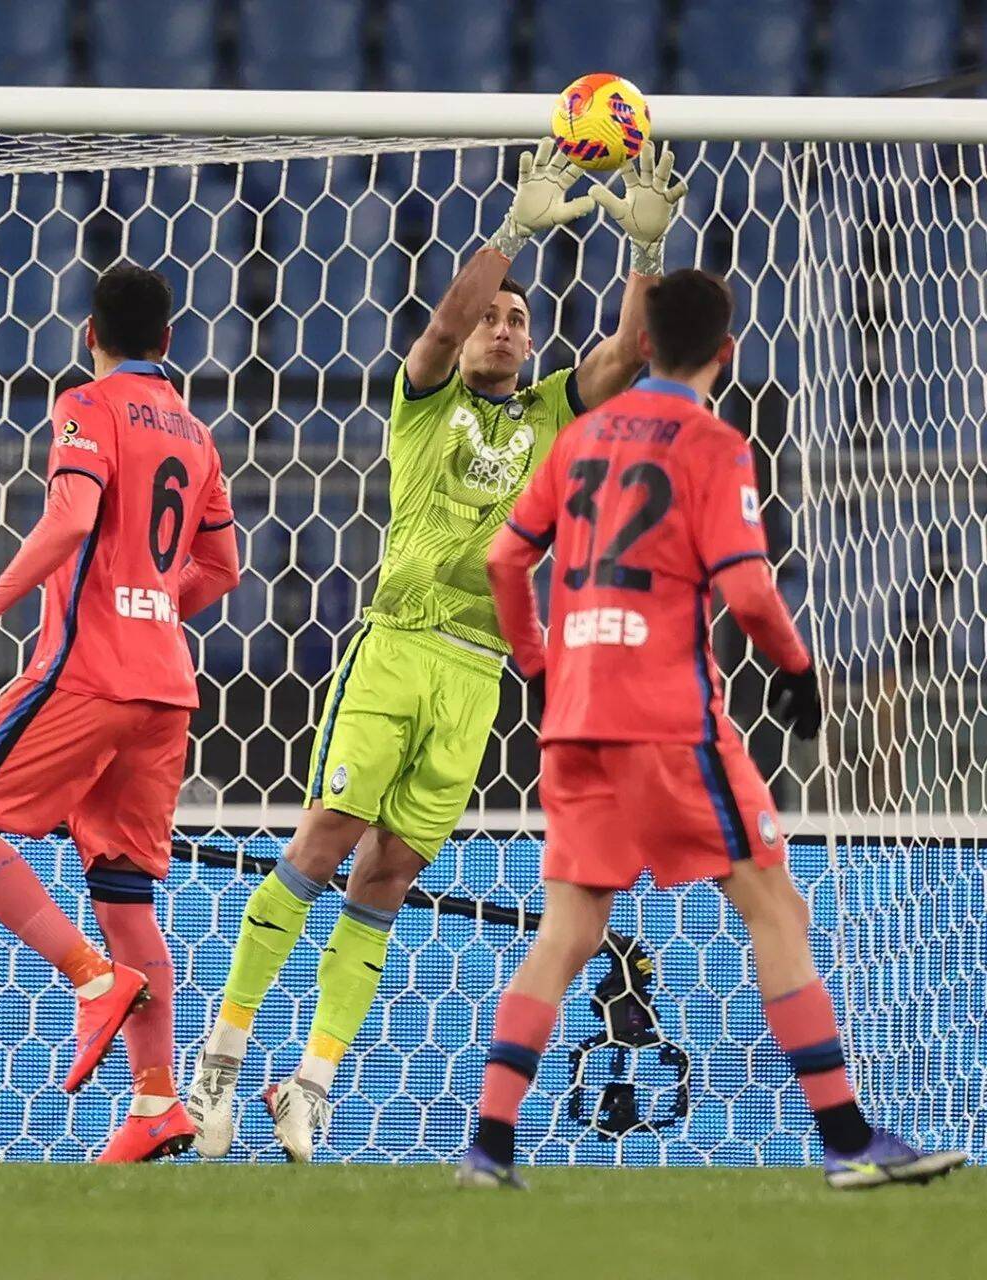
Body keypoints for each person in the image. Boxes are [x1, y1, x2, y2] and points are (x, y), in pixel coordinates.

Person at [189, 141, 688, 1161]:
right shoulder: (424, 400)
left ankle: (311, 1084)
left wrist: (648, 243)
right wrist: (509, 236)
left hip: (479, 670)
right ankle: (221, 1063)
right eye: (492, 318)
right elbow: (448, 319)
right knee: (324, 840)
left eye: (520, 317)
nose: (504, 327)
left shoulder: (551, 413)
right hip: (400, 646)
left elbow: (632, 350)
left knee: (388, 877)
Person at [459, 267, 967, 1190]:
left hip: (575, 718)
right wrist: (799, 671)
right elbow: (745, 588)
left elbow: (502, 559)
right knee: (778, 906)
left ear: (642, 344)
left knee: (570, 927)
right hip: (668, 719)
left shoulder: (577, 441)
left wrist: (540, 665)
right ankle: (848, 1141)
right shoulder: (712, 442)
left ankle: (489, 1146)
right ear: (725, 352)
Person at [0, 263, 239, 1163]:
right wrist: (153, 602)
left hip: (88, 671)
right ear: (168, 342)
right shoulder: (197, 436)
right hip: (165, 688)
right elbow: (222, 570)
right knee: (125, 894)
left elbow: (74, 518)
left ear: (93, 336)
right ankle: (157, 1105)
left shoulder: (86, 404)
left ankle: (87, 980)